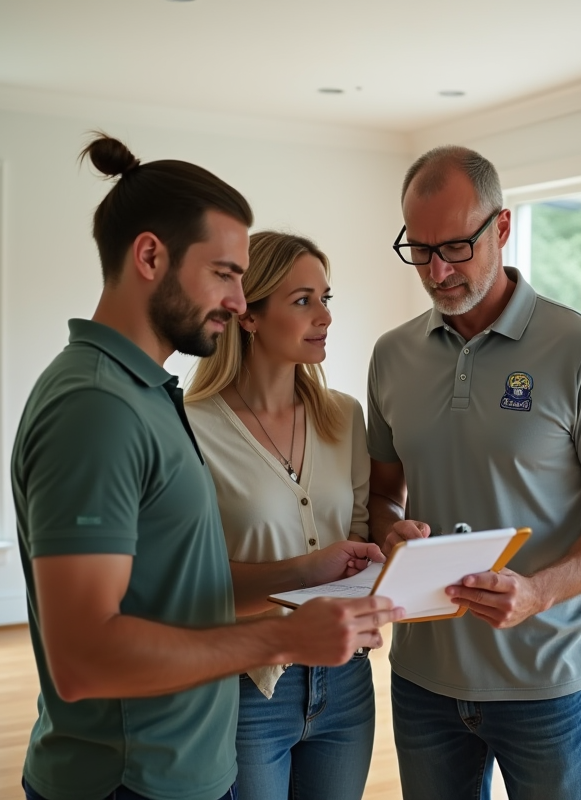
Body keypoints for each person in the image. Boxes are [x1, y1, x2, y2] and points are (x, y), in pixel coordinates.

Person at [11, 133, 401, 800]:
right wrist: (280, 641)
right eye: (224, 273)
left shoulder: (146, 393)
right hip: (130, 781)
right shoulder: (98, 409)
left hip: (189, 765)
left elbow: (179, 585)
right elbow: (81, 658)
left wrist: (304, 572)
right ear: (150, 256)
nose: (237, 300)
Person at [366, 145, 581, 800]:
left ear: (501, 228)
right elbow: (383, 494)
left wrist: (539, 593)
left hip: (543, 686)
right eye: (420, 249)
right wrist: (390, 533)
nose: (437, 270)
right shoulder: (392, 356)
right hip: (421, 681)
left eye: (457, 247)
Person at [184, 231, 376, 800]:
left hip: (346, 685)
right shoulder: (190, 426)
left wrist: (389, 553)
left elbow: (359, 538)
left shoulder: (344, 416)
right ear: (248, 315)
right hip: (245, 689)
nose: (324, 316)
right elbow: (194, 586)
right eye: (302, 301)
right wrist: (306, 569)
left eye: (326, 298)